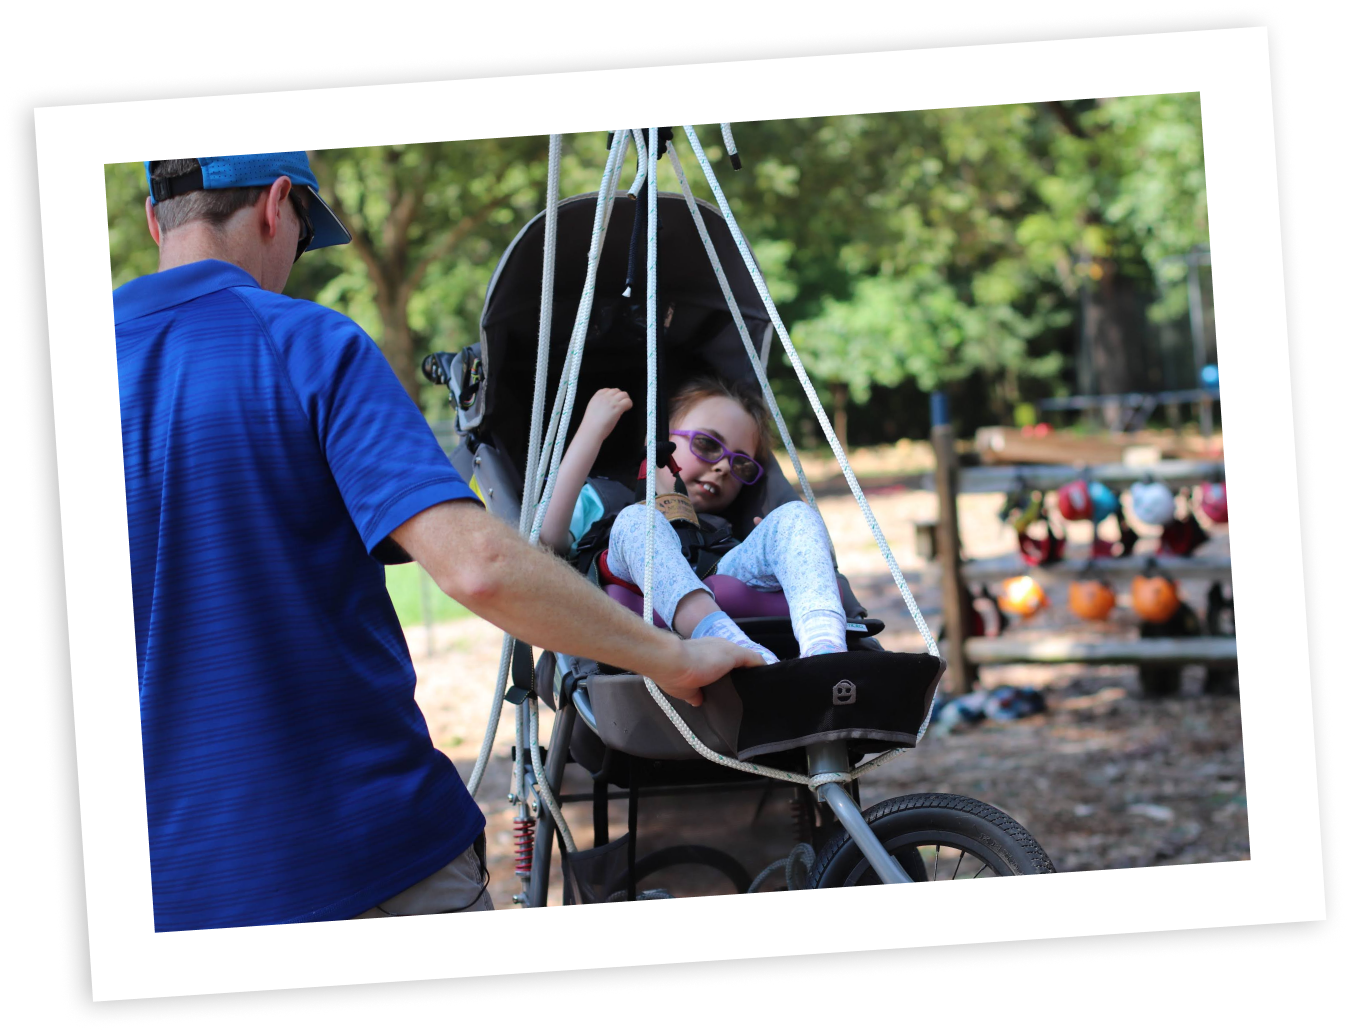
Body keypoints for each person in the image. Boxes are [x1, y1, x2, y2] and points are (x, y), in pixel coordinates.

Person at [115, 153, 761, 932]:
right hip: (368, 855)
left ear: (156, 219)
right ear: (275, 205)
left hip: (166, 895)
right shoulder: (306, 345)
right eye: (303, 232)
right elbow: (478, 566)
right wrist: (676, 658)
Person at [540, 375, 849, 664]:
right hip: (625, 577)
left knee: (796, 515)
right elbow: (546, 540)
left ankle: (825, 650)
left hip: (712, 570)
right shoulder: (604, 500)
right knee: (639, 519)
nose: (724, 468)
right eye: (707, 444)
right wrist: (592, 431)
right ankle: (726, 642)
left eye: (740, 464)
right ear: (658, 436)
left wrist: (775, 549)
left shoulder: (720, 527)